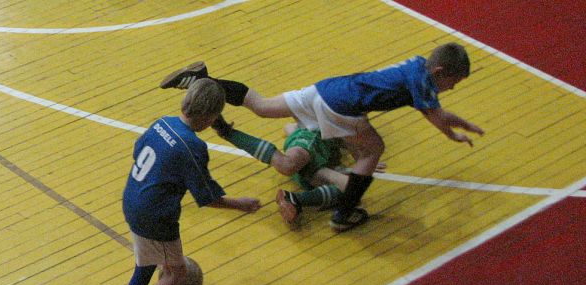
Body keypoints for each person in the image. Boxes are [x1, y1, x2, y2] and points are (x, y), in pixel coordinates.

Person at [160, 42, 484, 231]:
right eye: (453, 83)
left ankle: (204, 80)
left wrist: (463, 125)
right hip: (341, 106)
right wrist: (455, 134)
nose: (451, 89)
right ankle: (344, 213)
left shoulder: (418, 67)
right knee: (372, 151)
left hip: (328, 89)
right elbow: (437, 116)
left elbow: (438, 110)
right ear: (439, 73)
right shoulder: (423, 83)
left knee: (261, 106)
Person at [120, 78, 262, 285]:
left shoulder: (162, 123)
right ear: (211, 117)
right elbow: (207, 196)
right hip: (156, 216)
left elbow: (138, 149)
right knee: (175, 272)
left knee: (148, 255)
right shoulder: (192, 146)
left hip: (132, 199)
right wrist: (241, 205)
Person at [211, 117, 386, 229]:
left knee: (350, 191)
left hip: (313, 165)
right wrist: (363, 159)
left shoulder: (338, 120)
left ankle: (295, 199)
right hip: (310, 143)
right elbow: (291, 126)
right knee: (289, 165)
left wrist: (361, 160)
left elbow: (288, 127)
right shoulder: (338, 119)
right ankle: (228, 132)